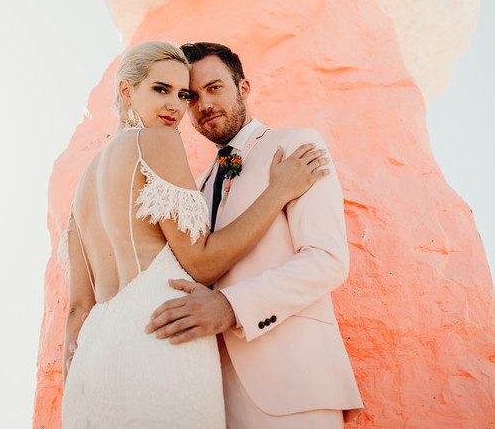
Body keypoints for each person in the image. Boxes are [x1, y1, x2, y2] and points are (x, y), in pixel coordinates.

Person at [60, 40, 329, 429]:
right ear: (125, 90)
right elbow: (200, 263)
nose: (175, 105)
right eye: (160, 89)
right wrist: (278, 191)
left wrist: (75, 381)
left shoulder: (81, 187)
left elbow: (76, 308)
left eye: (181, 94)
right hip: (160, 337)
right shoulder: (157, 140)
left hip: (93, 364)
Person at [147, 42, 363, 427]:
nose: (204, 106)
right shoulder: (194, 187)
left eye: (215, 88)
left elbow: (327, 260)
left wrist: (230, 307)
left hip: (296, 382)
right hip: (214, 397)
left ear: (243, 88)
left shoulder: (297, 144)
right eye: (191, 97)